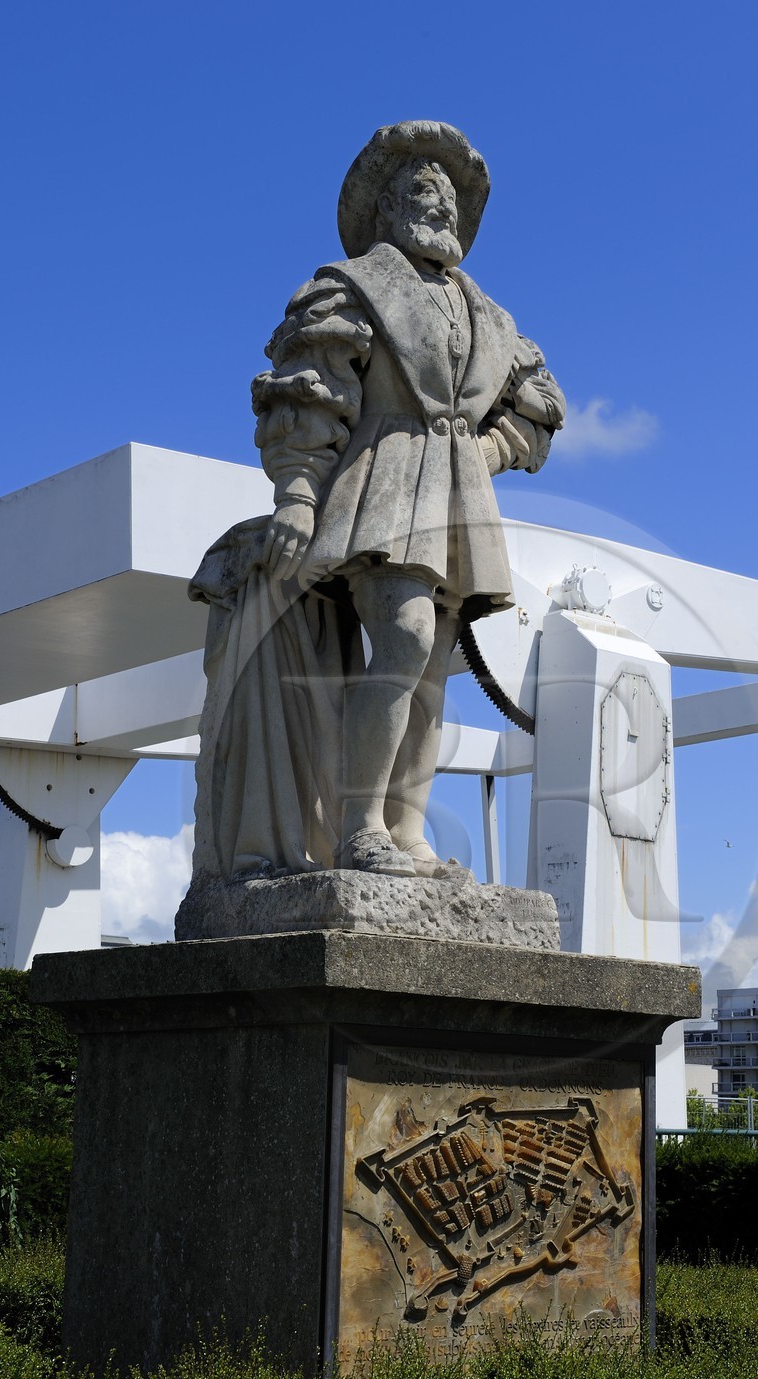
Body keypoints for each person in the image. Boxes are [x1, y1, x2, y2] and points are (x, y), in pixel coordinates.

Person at [186, 122, 565, 888]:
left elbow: (543, 404)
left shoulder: (489, 315)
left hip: (457, 493)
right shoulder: (354, 284)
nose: (442, 207)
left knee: (430, 665)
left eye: (451, 195)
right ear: (386, 208)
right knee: (403, 633)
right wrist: (297, 492)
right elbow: (310, 392)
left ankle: (406, 832)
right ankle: (360, 827)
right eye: (423, 191)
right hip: (384, 477)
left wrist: (486, 453)